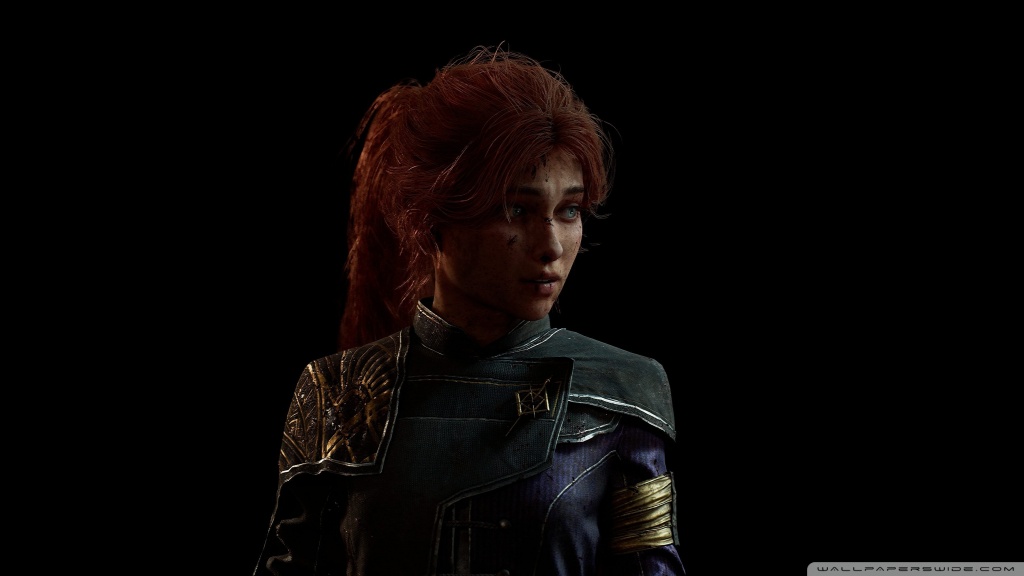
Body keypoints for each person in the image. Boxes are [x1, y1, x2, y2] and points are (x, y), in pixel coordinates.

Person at [254, 44, 684, 575]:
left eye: (569, 210)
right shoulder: (334, 391)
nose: (551, 244)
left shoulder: (624, 389)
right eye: (516, 209)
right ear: (431, 219)